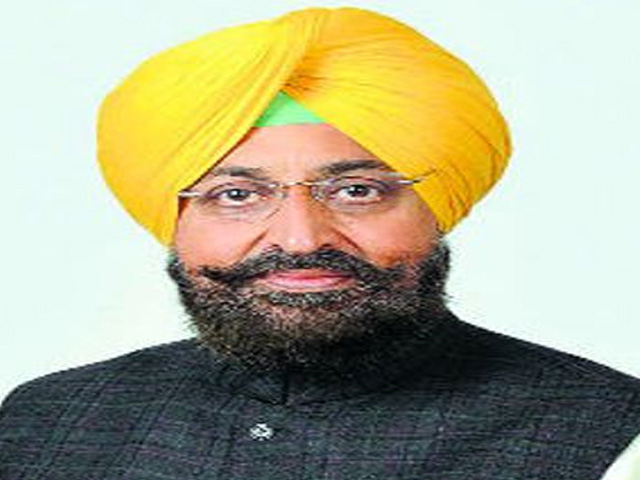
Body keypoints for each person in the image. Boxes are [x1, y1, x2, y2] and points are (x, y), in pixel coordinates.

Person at [1, 7, 639, 480]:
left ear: (439, 208)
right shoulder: (46, 422)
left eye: (357, 191)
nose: (300, 238)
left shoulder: (607, 432)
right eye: (236, 194)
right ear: (173, 218)